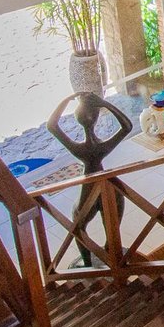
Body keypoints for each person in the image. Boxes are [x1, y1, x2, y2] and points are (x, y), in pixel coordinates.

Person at [46, 92, 133, 266]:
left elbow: (52, 125)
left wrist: (65, 100)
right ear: (96, 117)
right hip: (106, 186)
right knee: (112, 223)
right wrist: (104, 103)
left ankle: (87, 264)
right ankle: (112, 252)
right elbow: (127, 126)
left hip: (89, 190)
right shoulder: (102, 147)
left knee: (78, 225)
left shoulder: (80, 149)